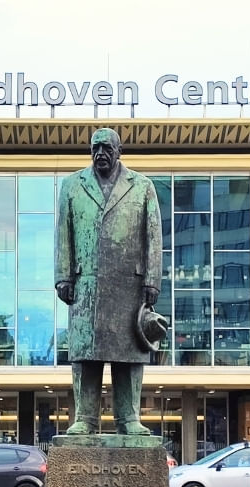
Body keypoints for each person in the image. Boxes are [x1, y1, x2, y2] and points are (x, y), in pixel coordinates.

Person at [55, 127, 162, 436]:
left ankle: (129, 419)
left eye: (106, 148)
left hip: (129, 285)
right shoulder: (72, 186)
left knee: (128, 357)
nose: (100, 153)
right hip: (85, 283)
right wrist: (63, 276)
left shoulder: (142, 186)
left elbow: (153, 236)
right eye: (95, 148)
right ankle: (85, 418)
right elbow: (64, 233)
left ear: (119, 151)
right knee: (85, 355)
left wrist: (153, 280)